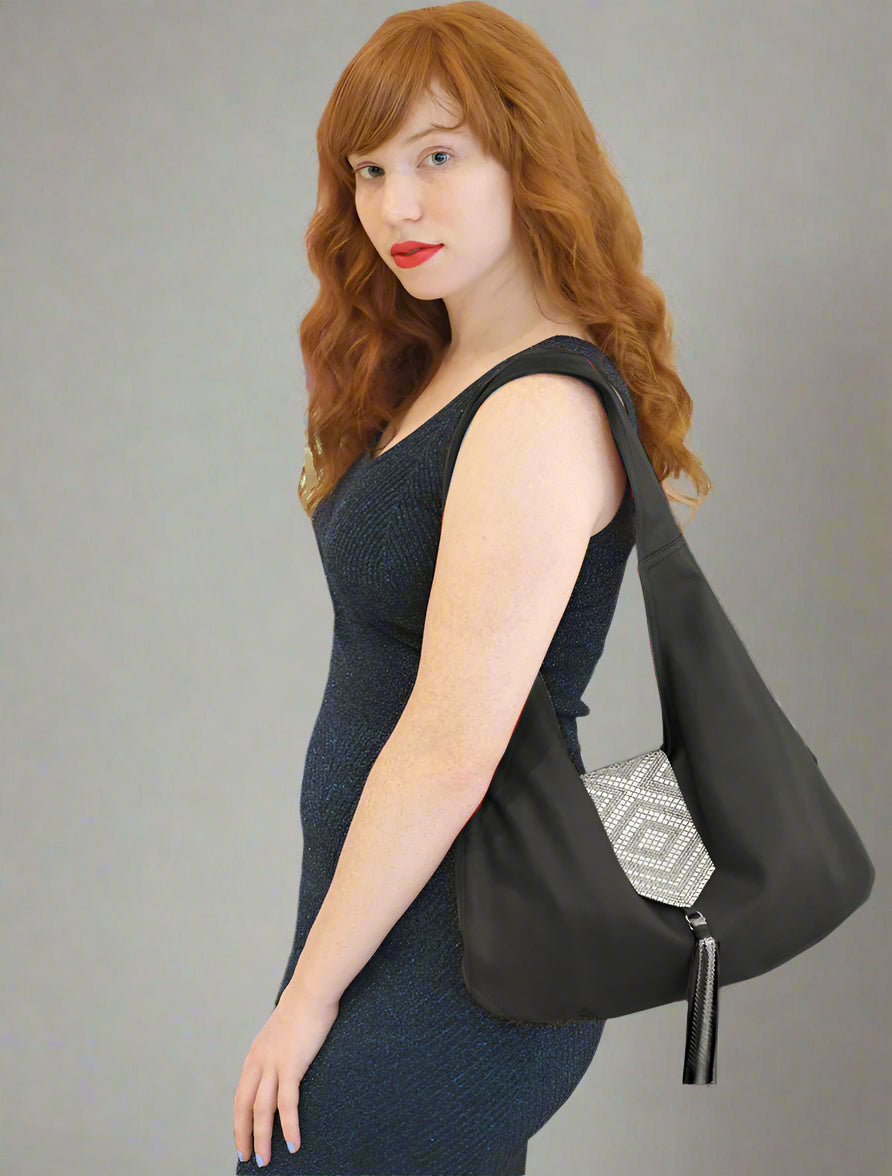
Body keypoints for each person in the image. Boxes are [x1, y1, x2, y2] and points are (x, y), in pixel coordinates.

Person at [233, 3, 711, 1172]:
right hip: (391, 924)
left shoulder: (537, 407)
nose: (396, 205)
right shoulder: (447, 373)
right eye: (370, 169)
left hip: (464, 950)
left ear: (527, 160)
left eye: (438, 157)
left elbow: (453, 744)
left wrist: (306, 998)